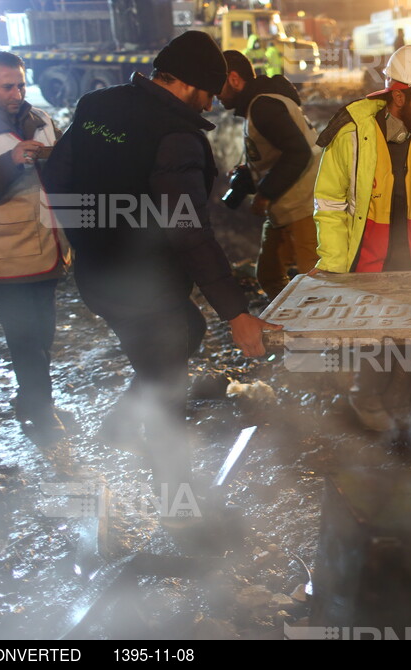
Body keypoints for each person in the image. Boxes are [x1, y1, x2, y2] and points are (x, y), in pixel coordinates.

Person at [43, 31, 279, 498]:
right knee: (168, 390)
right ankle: (180, 516)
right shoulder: (176, 138)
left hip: (97, 279)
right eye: (209, 92)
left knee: (185, 333)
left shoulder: (97, 106)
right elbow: (189, 230)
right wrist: (236, 313)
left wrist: (93, 238)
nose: (211, 105)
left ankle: (122, 426)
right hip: (146, 291)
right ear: (190, 84)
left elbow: (56, 178)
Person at [313, 45, 411, 431]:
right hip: (367, 265)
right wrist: (333, 265)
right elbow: (329, 205)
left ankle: (401, 416)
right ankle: (366, 405)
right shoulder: (350, 134)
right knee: (373, 345)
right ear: (398, 95)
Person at [0, 51, 72, 445]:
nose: (17, 92)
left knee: (42, 336)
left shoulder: (41, 119)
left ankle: (31, 400)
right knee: (25, 340)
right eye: (8, 86)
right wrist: (10, 161)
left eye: (21, 84)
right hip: (6, 257)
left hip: (48, 249)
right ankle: (42, 414)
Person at [218, 50, 320, 299]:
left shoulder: (264, 106)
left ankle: (323, 332)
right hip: (286, 207)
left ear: (233, 79)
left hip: (305, 207)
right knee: (270, 276)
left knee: (321, 283)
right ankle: (299, 322)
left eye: (216, 85)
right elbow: (281, 152)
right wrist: (251, 174)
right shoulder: (260, 105)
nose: (213, 95)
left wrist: (264, 192)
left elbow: (298, 153)